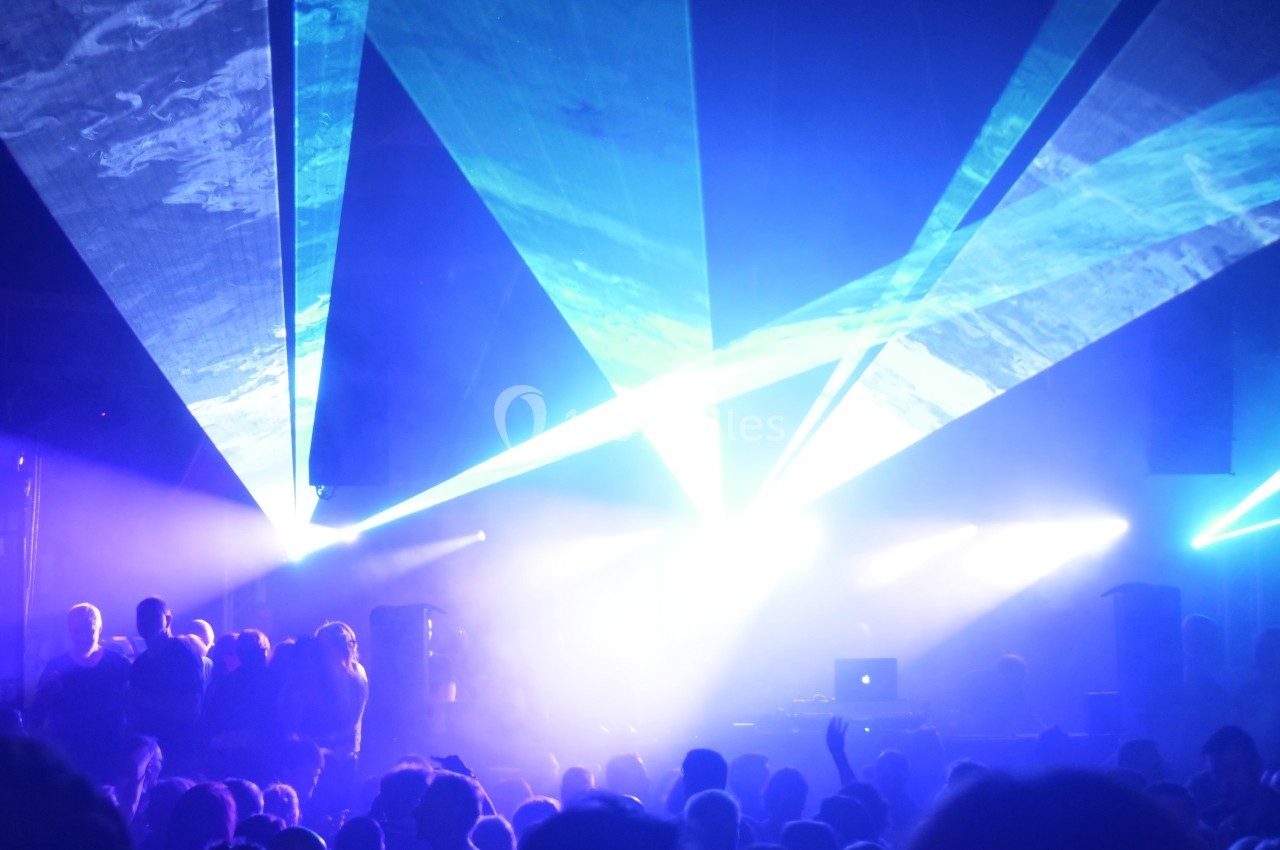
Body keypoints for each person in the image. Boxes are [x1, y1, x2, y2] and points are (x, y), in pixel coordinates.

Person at [28, 602, 131, 782]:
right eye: (77, 631)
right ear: (69, 630)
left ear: (100, 629)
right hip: (70, 752)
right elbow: (36, 714)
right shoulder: (57, 667)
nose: (82, 636)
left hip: (110, 750)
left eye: (88, 630)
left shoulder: (119, 665)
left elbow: (132, 704)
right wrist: (47, 694)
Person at [129, 596, 206, 775]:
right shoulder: (141, 663)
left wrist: (145, 701)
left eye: (153, 617)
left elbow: (192, 710)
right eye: (141, 617)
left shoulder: (183, 655)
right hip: (148, 754)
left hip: (179, 751)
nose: (145, 622)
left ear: (168, 620)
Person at [1202, 725, 1280, 847]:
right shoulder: (1210, 822)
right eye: (1217, 773)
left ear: (1255, 765)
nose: (1225, 780)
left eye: (1232, 769)